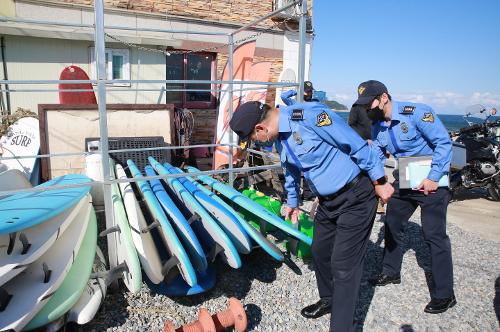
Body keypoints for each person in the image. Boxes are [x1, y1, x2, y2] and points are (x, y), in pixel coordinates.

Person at [229, 100, 394, 332]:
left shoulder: (309, 117)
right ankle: (329, 299)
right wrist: (294, 202)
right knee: (320, 250)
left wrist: (380, 181)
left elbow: (356, 145)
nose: (257, 143)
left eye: (254, 139)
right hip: (328, 202)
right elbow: (291, 170)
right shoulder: (280, 138)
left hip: (355, 195)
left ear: (260, 129)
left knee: (344, 266)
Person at [353, 80, 456, 314]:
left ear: (384, 98)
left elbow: (443, 143)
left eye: (370, 103)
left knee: (434, 235)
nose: (367, 109)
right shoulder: (378, 125)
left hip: (432, 181)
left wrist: (433, 175)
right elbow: (377, 154)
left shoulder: (417, 113)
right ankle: (391, 271)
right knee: (392, 223)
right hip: (406, 178)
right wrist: (381, 180)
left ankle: (445, 294)